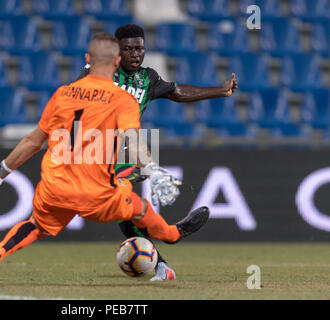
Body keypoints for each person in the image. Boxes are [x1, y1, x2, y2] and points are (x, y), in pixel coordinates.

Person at [0, 32, 209, 287]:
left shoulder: (63, 94)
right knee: (140, 209)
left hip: (55, 186)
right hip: (98, 192)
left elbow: (34, 141)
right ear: (116, 62)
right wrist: (152, 169)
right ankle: (172, 234)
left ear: (88, 59)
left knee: (35, 225)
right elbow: (132, 139)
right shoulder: (123, 99)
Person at [77, 24, 238, 281]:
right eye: (128, 49)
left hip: (125, 154)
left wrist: (221, 90)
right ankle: (171, 239)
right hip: (91, 153)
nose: (135, 54)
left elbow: (177, 92)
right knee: (120, 208)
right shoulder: (99, 73)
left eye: (139, 48)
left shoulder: (147, 78)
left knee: (122, 205)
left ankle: (162, 264)